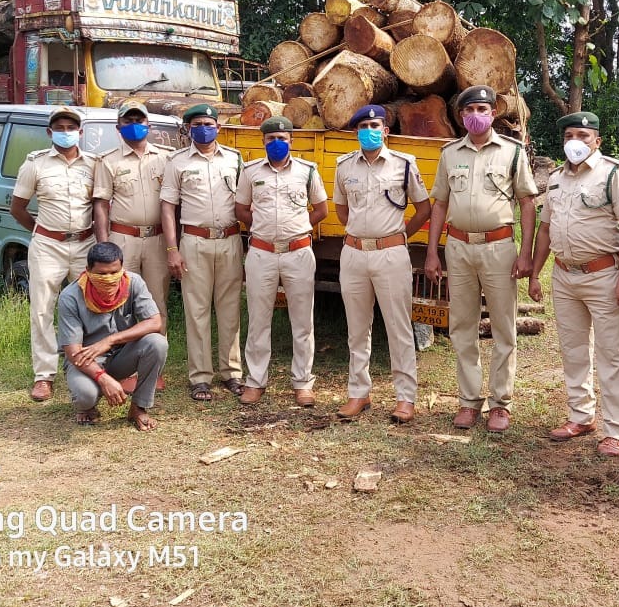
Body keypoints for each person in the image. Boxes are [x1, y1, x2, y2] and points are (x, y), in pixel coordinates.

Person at [425, 85, 537, 433]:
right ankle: (469, 401)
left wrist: (526, 253)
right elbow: (440, 204)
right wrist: (432, 251)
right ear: (461, 116)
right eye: (469, 109)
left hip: (499, 247)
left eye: (482, 109)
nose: (476, 115)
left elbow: (527, 203)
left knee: (504, 326)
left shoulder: (512, 152)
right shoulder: (449, 154)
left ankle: (501, 404)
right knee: (462, 325)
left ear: (493, 114)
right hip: (458, 248)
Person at [529, 111, 619, 457]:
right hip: (564, 275)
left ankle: (617, 430)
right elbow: (545, 229)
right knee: (574, 350)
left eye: (582, 135)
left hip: (603, 274)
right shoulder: (557, 179)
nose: (574, 142)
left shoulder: (614, 175)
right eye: (568, 136)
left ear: (597, 140)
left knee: (613, 353)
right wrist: (535, 273)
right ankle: (580, 416)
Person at [333, 105, 431, 424]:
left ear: (385, 130)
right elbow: (342, 211)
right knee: (357, 328)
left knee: (398, 327)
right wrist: (362, 233)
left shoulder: (404, 165)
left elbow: (423, 208)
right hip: (354, 254)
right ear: (356, 132)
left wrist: (400, 234)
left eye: (374, 125)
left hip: (391, 254)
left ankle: (405, 398)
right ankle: (358, 393)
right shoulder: (344, 166)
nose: (368, 130)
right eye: (362, 126)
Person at [235, 116, 328, 406]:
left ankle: (303, 383)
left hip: (298, 252)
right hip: (261, 253)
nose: (277, 144)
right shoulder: (250, 172)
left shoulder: (307, 171)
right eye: (271, 139)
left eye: (282, 139)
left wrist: (298, 228)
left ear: (292, 141)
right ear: (263, 141)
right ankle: (255, 381)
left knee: (302, 321)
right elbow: (241, 209)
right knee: (259, 320)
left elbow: (321, 209)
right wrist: (263, 228)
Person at [10, 106, 97, 402]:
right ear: (50, 132)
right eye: (59, 127)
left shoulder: (94, 165)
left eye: (71, 128)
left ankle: (88, 364)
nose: (65, 132)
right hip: (48, 246)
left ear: (80, 132)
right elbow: (17, 208)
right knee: (43, 308)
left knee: (90, 307)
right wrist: (43, 230)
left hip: (85, 244)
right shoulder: (35, 164)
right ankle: (44, 375)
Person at [160, 103, 246, 402]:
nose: (203, 129)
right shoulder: (177, 162)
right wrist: (172, 248)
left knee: (230, 308)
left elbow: (245, 202)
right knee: (195, 311)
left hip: (230, 240)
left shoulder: (235, 160)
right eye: (197, 124)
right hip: (193, 242)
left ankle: (232, 372)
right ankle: (200, 377)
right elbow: (168, 207)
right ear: (188, 129)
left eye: (208, 124)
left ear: (219, 127)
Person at [57, 241, 168, 431]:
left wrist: (110, 340)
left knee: (157, 343)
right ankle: (88, 405)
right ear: (87, 271)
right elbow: (73, 352)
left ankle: (138, 407)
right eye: (101, 274)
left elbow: (155, 322)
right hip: (85, 360)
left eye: (113, 272)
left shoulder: (133, 282)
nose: (108, 278)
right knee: (85, 396)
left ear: (122, 268)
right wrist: (102, 378)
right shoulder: (70, 296)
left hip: (121, 356)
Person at [93, 98, 172, 331]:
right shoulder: (108, 161)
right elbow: (101, 205)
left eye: (139, 120)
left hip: (157, 240)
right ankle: (124, 362)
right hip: (123, 239)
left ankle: (155, 360)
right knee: (120, 302)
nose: (135, 124)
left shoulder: (167, 158)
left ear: (149, 125)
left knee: (157, 303)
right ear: (118, 127)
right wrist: (104, 246)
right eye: (128, 120)